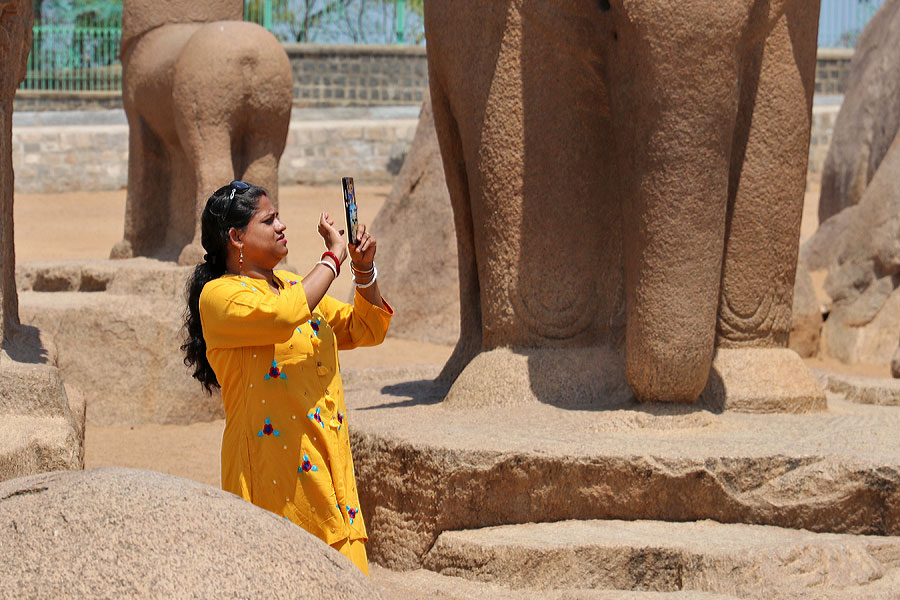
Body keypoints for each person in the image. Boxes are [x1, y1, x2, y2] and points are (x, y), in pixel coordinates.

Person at [181, 180, 392, 575]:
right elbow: (281, 316)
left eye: (278, 216)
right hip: (273, 479)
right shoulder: (219, 296)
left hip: (330, 470)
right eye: (269, 219)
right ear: (236, 237)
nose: (281, 226)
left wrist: (363, 271)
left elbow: (366, 328)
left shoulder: (294, 286)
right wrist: (332, 258)